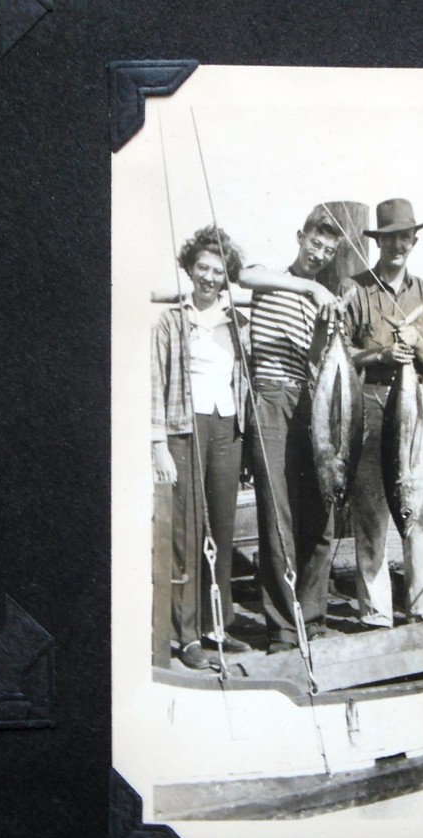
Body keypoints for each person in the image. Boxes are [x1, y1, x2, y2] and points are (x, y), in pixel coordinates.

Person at [237, 206, 340, 654]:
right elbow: (244, 276)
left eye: (328, 251)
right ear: (300, 238)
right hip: (270, 398)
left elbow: (316, 357)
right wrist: (310, 286)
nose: (319, 254)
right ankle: (281, 627)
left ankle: (311, 616)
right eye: (315, 244)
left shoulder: (322, 298)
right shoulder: (274, 276)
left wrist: (325, 326)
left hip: (308, 401)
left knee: (321, 512)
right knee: (277, 515)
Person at [342, 198, 423, 628]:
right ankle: (376, 614)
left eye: (404, 237)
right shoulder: (357, 290)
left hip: (414, 408)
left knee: (419, 509)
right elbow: (342, 353)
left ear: (413, 240)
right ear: (378, 242)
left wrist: (416, 343)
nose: (397, 245)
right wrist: (382, 351)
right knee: (371, 513)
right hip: (369, 406)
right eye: (389, 238)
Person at [152, 225, 251, 669]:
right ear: (190, 269)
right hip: (184, 429)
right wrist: (158, 445)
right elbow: (155, 384)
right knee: (186, 533)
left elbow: (243, 381)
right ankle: (186, 633)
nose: (210, 277)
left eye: (219, 270)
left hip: (227, 427)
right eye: (203, 268)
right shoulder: (172, 321)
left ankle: (218, 626)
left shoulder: (237, 322)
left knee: (223, 529)